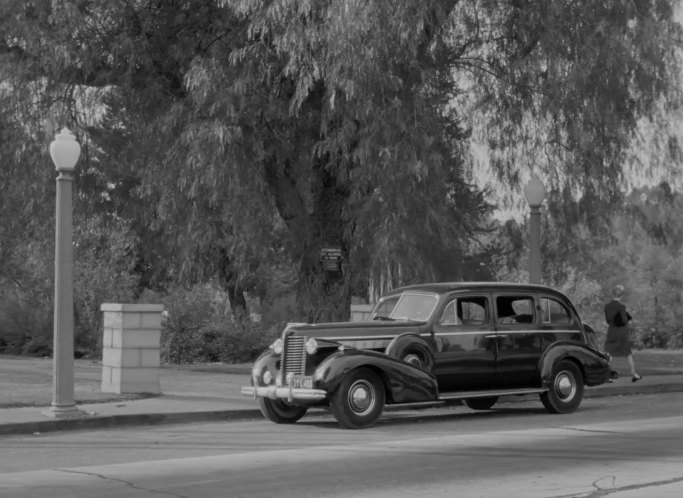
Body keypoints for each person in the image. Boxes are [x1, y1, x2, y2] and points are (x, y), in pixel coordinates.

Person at [603, 284, 642, 382]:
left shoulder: (607, 307)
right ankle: (634, 374)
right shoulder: (621, 307)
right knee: (628, 353)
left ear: (612, 294)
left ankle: (607, 375)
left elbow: (608, 321)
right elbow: (624, 321)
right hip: (621, 332)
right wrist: (628, 321)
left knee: (609, 354)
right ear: (622, 295)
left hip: (612, 331)